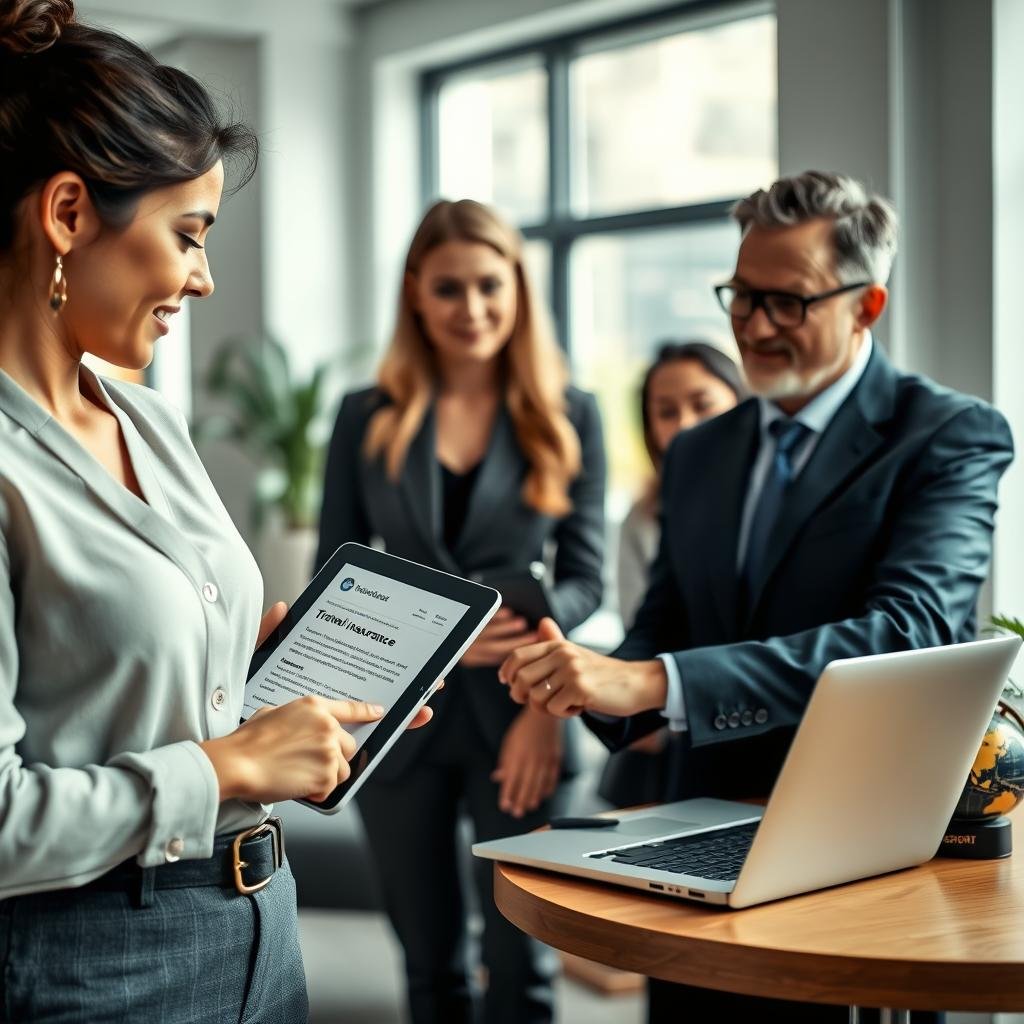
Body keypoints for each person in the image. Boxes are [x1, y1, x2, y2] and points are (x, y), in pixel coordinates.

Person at [499, 170, 1014, 1023]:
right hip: (693, 841)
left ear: (868, 306)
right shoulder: (700, 450)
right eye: (741, 297)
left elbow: (911, 629)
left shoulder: (949, 434)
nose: (753, 327)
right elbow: (665, 620)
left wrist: (660, 682)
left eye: (788, 303)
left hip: (869, 852)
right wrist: (579, 676)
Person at [0, 4, 430, 1020]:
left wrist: (251, 651)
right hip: (85, 968)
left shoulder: (151, 423)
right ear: (68, 213)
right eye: (187, 235)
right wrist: (226, 763)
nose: (204, 277)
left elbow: (139, 665)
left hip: (259, 933)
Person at [315, 198, 606, 1024]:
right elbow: (333, 577)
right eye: (448, 289)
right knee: (428, 966)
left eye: (490, 285)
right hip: (395, 720)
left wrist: (544, 701)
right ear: (414, 292)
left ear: (517, 287)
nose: (471, 309)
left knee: (526, 968)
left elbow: (586, 582)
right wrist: (442, 640)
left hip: (525, 710)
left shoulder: (570, 412)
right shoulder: (363, 416)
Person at [601, 340, 745, 809]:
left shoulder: (768, 508)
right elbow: (643, 623)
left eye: (702, 404)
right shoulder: (644, 517)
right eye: (666, 411)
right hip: (667, 729)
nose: (685, 424)